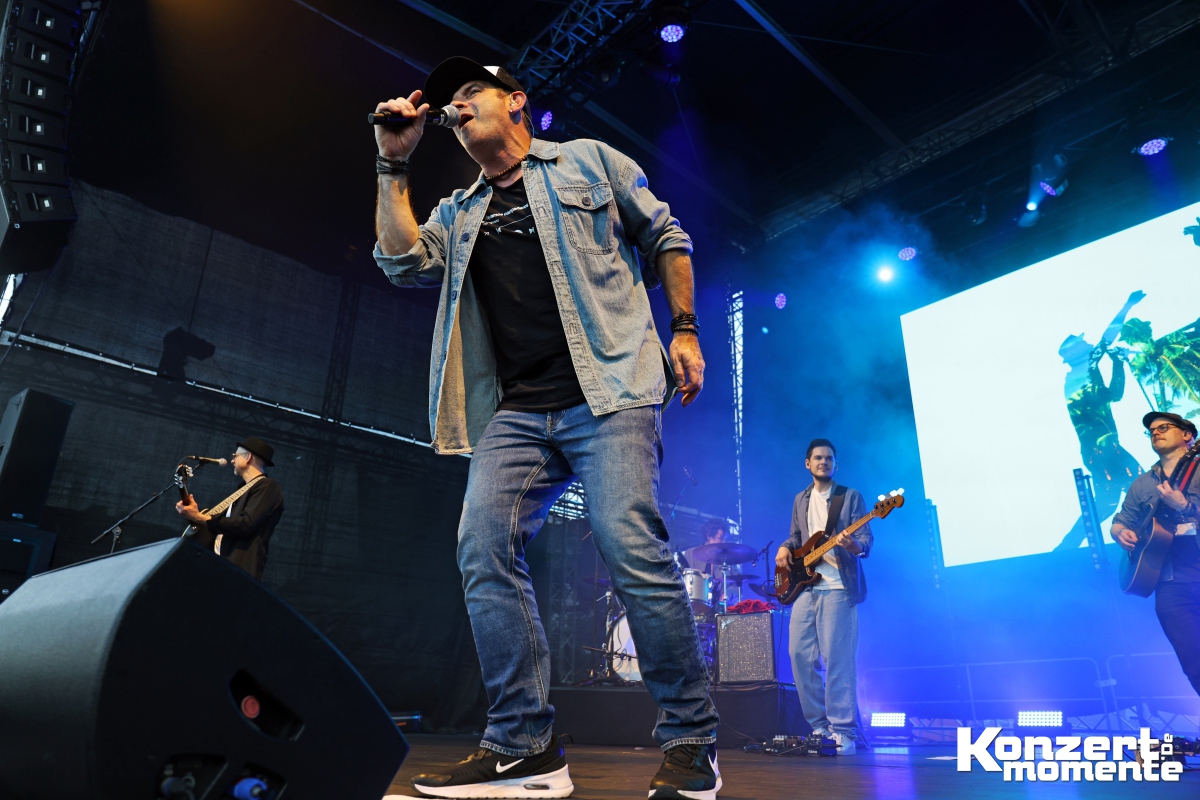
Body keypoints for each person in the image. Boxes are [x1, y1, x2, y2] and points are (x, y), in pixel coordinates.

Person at [373, 58, 719, 800]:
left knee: (630, 546)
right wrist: (392, 166)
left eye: (472, 93)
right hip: (517, 412)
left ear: (516, 102)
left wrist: (685, 330)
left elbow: (667, 235)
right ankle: (524, 747)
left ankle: (691, 743)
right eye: (450, 102)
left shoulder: (588, 161)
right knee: (482, 548)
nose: (457, 106)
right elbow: (401, 263)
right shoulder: (459, 211)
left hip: (612, 391)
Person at [774, 438, 872, 755]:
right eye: (818, 458)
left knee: (837, 660)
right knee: (799, 656)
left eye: (829, 458)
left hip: (839, 588)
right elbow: (796, 536)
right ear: (808, 463)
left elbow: (865, 540)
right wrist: (785, 547)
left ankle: (843, 731)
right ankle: (819, 727)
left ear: (835, 464)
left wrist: (853, 546)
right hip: (806, 588)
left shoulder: (850, 497)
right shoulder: (801, 499)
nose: (823, 462)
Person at [1111, 412, 1200, 697]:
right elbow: (1121, 521)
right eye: (1151, 431)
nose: (1155, 433)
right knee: (1193, 662)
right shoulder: (1143, 483)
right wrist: (1120, 533)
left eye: (1163, 427)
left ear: (1187, 435)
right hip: (1170, 583)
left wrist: (1185, 506)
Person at [1056, 291, 1146, 550]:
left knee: (1108, 503)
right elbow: (1107, 339)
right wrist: (1127, 306)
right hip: (1104, 449)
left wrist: (1117, 363)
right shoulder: (1084, 371)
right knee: (1141, 489)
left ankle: (1065, 548)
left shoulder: (1081, 375)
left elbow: (1112, 395)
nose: (1088, 344)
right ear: (1075, 353)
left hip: (1101, 449)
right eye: (1083, 343)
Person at [175, 436, 284, 581]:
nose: (232, 460)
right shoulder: (240, 492)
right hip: (217, 568)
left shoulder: (268, 486)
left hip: (238, 572)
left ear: (248, 457)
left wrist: (199, 517)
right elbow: (218, 526)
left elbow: (245, 524)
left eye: (235, 455)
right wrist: (195, 515)